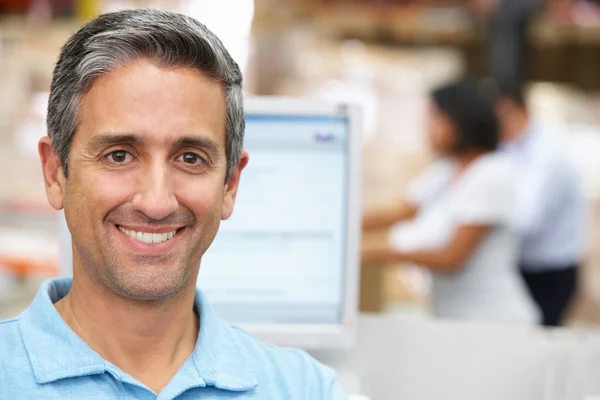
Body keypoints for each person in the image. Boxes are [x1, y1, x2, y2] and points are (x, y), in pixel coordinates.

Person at [0, 9, 346, 399]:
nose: (156, 202)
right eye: (119, 155)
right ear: (54, 173)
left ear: (230, 183)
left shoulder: (303, 389)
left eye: (190, 158)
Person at [362, 80, 539, 325]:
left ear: (461, 120)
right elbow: (400, 212)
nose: (427, 128)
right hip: (455, 318)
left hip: (494, 321)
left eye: (435, 117)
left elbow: (452, 257)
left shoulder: (492, 173)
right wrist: (337, 223)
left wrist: (372, 253)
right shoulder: (444, 171)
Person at [494, 81, 587, 326]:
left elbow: (527, 218)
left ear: (518, 110)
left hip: (550, 269)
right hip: (520, 263)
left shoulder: (548, 151)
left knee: (540, 341)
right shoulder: (506, 147)